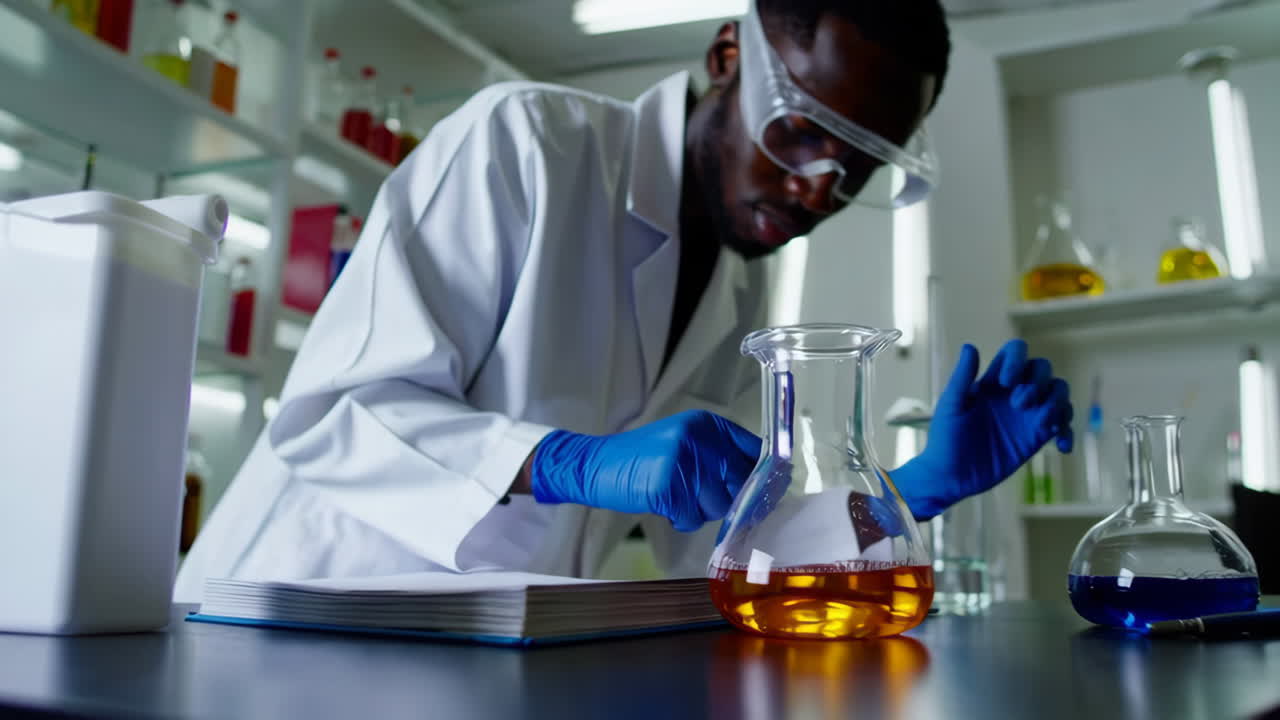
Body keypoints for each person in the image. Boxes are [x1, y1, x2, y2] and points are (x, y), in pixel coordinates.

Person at [174, 0, 1072, 600]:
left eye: (859, 167)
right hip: (293, 614)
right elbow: (333, 415)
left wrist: (913, 491)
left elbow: (731, 543)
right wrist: (570, 464)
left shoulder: (740, 277)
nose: (817, 192)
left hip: (486, 652)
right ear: (728, 56)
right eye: (803, 133)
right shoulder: (525, 144)